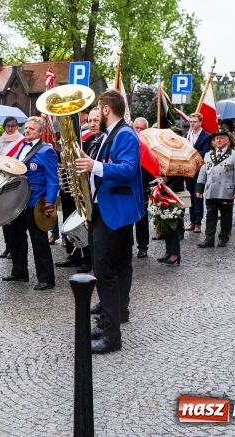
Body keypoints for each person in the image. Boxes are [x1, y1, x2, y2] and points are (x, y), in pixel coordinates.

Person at [74, 90, 143, 355]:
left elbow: (127, 169)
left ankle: (112, 335)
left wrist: (94, 166)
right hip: (108, 209)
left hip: (114, 211)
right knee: (117, 267)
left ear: (105, 110)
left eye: (97, 110)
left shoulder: (124, 134)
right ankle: (108, 321)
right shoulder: (110, 135)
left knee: (104, 272)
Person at [3, 116, 59, 291]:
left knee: (39, 240)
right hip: (19, 201)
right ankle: (19, 271)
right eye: (26, 128)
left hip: (36, 202)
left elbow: (53, 179)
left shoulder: (46, 151)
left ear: (40, 132)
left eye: (31, 129)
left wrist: (50, 202)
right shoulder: (21, 146)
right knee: (16, 237)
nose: (27, 131)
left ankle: (46, 278)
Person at [56, 107, 99, 273]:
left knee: (83, 220)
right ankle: (73, 255)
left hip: (83, 184)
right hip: (69, 185)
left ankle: (87, 258)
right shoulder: (71, 137)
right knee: (69, 219)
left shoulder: (89, 137)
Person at [195, 128, 235, 248]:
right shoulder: (208, 155)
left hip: (226, 191)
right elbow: (203, 172)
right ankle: (209, 239)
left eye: (222, 138)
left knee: (226, 216)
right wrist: (199, 188)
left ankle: (223, 237)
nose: (219, 140)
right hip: (211, 190)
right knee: (210, 215)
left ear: (227, 140)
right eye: (217, 138)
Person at [0, 116, 24, 259]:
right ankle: (7, 246)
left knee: (12, 217)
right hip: (2, 180)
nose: (10, 128)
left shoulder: (21, 141)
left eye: (13, 126)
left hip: (15, 180)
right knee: (3, 216)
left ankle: (14, 248)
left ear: (16, 126)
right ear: (4, 127)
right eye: (8, 126)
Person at [184, 113, 212, 234]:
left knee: (198, 194)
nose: (192, 123)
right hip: (189, 169)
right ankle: (192, 220)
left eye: (194, 121)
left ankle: (198, 222)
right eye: (190, 121)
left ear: (200, 122)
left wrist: (191, 151)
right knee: (190, 195)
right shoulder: (187, 135)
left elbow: (205, 152)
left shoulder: (206, 136)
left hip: (200, 169)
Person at [132, 117, 151, 258]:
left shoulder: (150, 145)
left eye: (141, 128)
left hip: (143, 186)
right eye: (136, 128)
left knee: (142, 218)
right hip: (129, 186)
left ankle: (143, 246)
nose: (138, 131)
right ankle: (128, 245)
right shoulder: (128, 142)